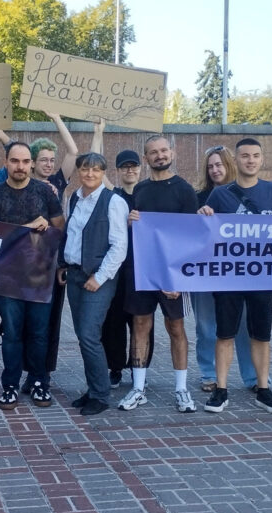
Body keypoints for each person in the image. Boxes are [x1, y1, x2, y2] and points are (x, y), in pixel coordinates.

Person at [199, 137, 272, 414]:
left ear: (262, 159)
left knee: (262, 336)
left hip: (263, 278)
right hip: (228, 278)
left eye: (255, 156)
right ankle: (221, 391)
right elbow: (205, 234)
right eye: (245, 156)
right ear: (236, 160)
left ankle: (263, 389)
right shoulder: (219, 195)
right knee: (225, 335)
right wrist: (204, 215)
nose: (250, 160)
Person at [0, 141, 65, 410]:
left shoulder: (45, 192)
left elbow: (59, 228)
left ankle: (40, 382)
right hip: (7, 278)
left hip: (41, 276)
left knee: (40, 333)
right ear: (6, 162)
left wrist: (60, 264)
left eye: (25, 161)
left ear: (31, 164)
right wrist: (29, 227)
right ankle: (10, 386)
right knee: (12, 334)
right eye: (15, 161)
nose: (21, 166)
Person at [122, 135, 199, 414]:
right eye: (153, 152)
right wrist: (130, 221)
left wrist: (179, 277)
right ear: (146, 158)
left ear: (173, 153)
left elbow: (191, 238)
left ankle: (181, 388)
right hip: (143, 270)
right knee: (140, 326)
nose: (159, 155)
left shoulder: (184, 190)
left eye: (164, 150)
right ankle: (138, 388)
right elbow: (138, 230)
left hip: (172, 274)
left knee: (176, 328)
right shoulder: (139, 190)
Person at [59, 153, 128, 415]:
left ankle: (100, 395)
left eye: (96, 170)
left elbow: (119, 246)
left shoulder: (114, 202)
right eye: (86, 169)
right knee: (83, 336)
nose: (90, 174)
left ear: (103, 173)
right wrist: (62, 265)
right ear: (79, 171)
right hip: (75, 274)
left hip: (99, 278)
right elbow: (70, 236)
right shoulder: (74, 198)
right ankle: (93, 388)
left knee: (89, 335)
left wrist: (99, 277)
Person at [191, 146, 259, 392]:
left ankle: (253, 378)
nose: (215, 170)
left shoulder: (249, 194)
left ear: (230, 165)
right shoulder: (198, 197)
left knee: (243, 327)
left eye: (219, 164)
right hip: (205, 273)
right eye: (210, 166)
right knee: (206, 326)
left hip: (239, 273)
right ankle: (209, 374)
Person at [100, 149, 156, 389]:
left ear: (140, 168)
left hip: (144, 268)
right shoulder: (113, 197)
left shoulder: (148, 194)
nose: (130, 170)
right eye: (125, 167)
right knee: (113, 321)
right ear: (118, 171)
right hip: (119, 269)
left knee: (142, 321)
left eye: (133, 166)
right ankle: (115, 367)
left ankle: (139, 366)